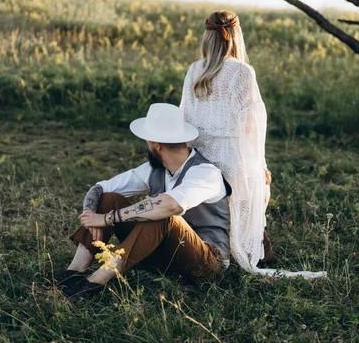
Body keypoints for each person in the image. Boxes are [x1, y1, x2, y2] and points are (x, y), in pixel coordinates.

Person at [179, 11, 319, 277]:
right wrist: (261, 167)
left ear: (207, 36)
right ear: (235, 36)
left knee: (253, 183)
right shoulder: (242, 72)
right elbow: (252, 128)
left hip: (199, 157)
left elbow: (184, 116)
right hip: (230, 157)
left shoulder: (194, 70)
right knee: (260, 185)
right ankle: (248, 243)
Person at [53, 103, 234, 300]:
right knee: (108, 199)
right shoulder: (155, 169)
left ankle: (92, 284)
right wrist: (91, 216)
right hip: (163, 256)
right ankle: (73, 273)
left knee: (164, 215)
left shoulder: (205, 172)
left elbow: (170, 205)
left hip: (205, 263)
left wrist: (108, 219)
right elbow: (100, 188)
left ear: (157, 145)